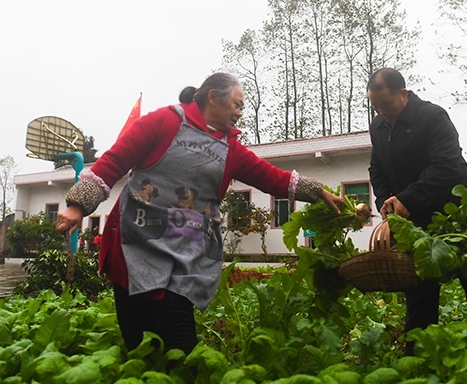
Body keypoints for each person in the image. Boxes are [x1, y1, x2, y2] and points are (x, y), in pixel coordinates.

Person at [55, 72, 344, 357]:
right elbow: (114, 161)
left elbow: (272, 178)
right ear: (212, 97)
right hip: (136, 244)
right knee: (138, 341)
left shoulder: (231, 148)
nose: (240, 113)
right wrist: (78, 205)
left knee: (179, 342)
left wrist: (318, 191)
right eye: (237, 104)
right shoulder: (162, 121)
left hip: (185, 251)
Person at [366, 68, 467, 354]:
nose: (381, 112)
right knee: (418, 286)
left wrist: (407, 198)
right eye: (376, 107)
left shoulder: (432, 117)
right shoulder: (378, 126)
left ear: (403, 95)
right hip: (414, 219)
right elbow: (377, 168)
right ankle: (418, 352)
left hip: (456, 214)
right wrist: (387, 201)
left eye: (386, 104)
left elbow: (446, 167)